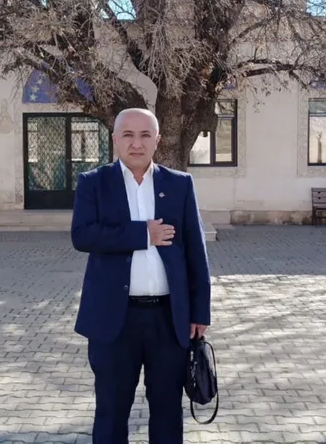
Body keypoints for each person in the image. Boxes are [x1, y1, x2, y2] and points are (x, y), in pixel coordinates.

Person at [70, 107, 212, 444]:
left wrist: (200, 312)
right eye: (129, 135)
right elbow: (82, 236)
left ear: (157, 140)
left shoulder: (179, 184)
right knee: (111, 411)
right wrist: (143, 234)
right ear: (115, 139)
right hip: (113, 322)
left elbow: (196, 251)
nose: (137, 143)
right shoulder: (93, 183)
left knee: (167, 412)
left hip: (169, 320)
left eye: (145, 135)